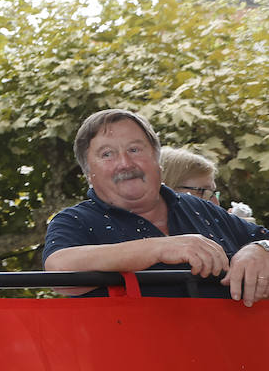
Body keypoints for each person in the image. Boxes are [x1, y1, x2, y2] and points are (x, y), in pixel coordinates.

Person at [43, 109, 269, 304]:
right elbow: (59, 269)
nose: (125, 163)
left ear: (157, 161)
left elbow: (264, 237)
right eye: (107, 154)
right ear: (88, 174)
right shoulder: (75, 220)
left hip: (232, 352)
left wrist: (259, 249)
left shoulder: (200, 208)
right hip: (131, 353)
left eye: (134, 149)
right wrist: (159, 248)